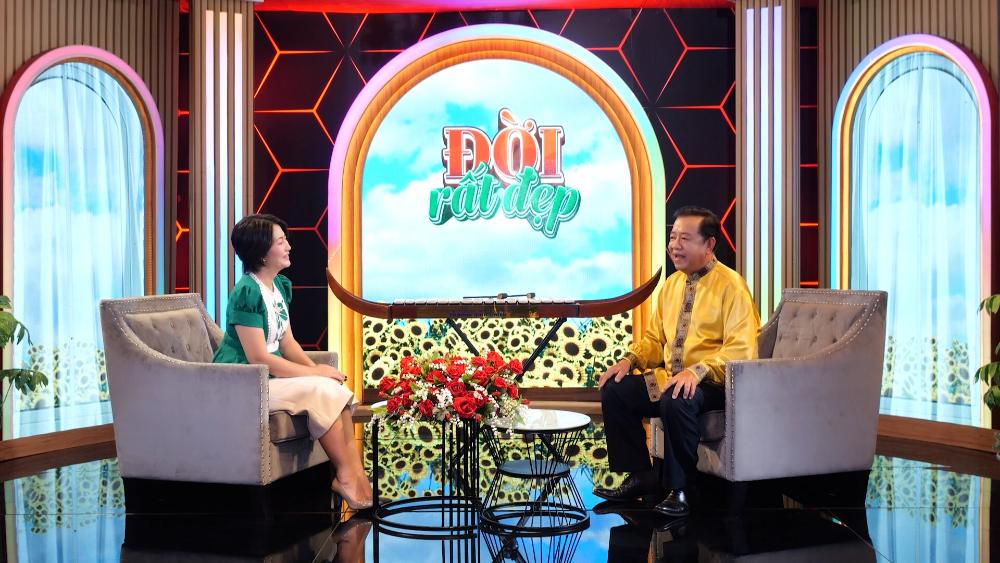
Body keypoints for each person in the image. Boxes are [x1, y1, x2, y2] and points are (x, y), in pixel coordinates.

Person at [594, 206, 759, 517]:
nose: (675, 246)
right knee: (615, 389)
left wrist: (696, 372)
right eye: (673, 238)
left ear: (709, 244)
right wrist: (629, 360)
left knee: (676, 397)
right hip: (671, 379)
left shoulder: (732, 286)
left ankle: (680, 489)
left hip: (715, 384)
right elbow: (654, 340)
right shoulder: (671, 285)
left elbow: (742, 349)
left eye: (685, 238)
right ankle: (642, 477)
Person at [213, 213, 373, 509]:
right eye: (280, 241)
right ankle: (348, 478)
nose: (288, 246)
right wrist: (314, 375)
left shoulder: (278, 287)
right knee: (320, 388)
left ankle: (354, 476)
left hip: (270, 377)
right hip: (245, 381)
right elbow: (259, 357)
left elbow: (287, 344)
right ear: (261, 253)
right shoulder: (246, 293)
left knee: (332, 388)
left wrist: (318, 370)